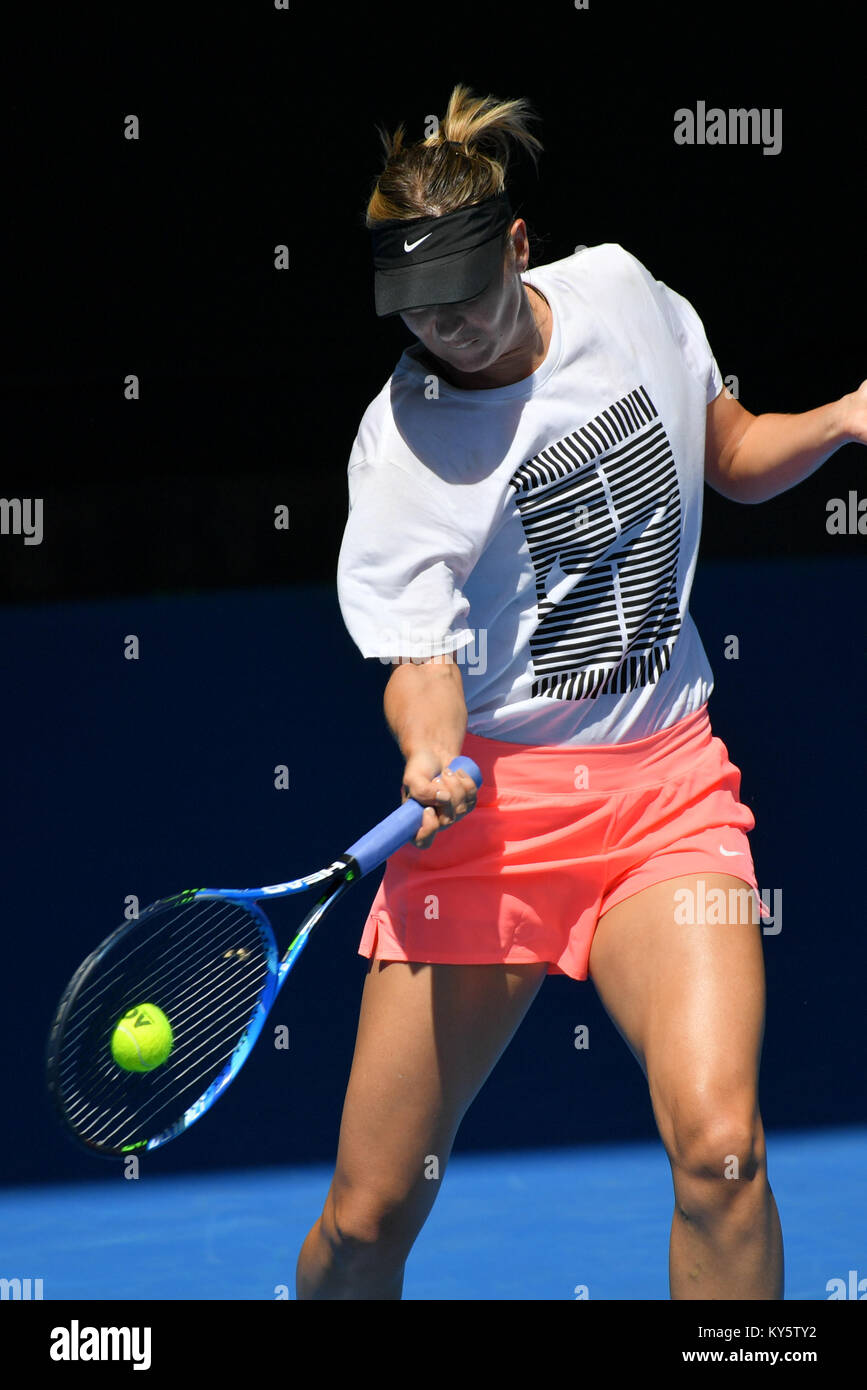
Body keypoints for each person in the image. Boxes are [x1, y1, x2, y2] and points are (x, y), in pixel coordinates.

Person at [296, 84, 866, 1301]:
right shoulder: (404, 440)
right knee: (366, 1216)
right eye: (415, 314)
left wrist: (845, 420)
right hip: (489, 824)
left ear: (518, 245)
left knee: (722, 1152)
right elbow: (422, 662)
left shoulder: (623, 295)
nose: (441, 331)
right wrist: (425, 753)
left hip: (667, 791)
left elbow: (728, 448)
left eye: (462, 298)